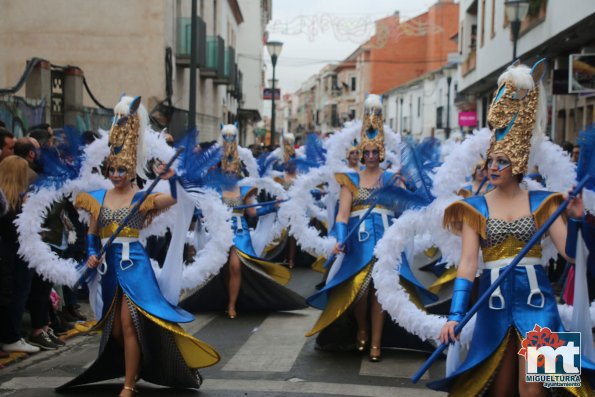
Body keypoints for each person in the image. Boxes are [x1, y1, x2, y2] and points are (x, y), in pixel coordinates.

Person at [432, 59, 595, 396]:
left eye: (502, 161)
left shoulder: (543, 203)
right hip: (492, 304)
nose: (493, 166)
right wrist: (455, 314)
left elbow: (573, 255)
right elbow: (468, 264)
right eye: (491, 160)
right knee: (497, 387)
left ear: (519, 163)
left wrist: (578, 218)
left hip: (538, 305)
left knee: (534, 389)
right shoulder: (473, 208)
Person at [57, 96, 219, 396]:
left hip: (135, 267)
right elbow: (92, 232)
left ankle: (129, 385)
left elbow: (173, 199)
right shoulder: (97, 197)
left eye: (121, 170)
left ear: (132, 170)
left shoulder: (142, 198)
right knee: (116, 329)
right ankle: (142, 361)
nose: (116, 175)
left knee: (130, 324)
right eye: (112, 170)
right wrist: (92, 253)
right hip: (108, 271)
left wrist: (171, 179)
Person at [306, 95, 436, 361]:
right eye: (367, 152)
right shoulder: (349, 179)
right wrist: (340, 238)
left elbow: (407, 207)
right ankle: (362, 328)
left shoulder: (390, 177)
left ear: (382, 152)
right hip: (358, 242)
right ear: (360, 152)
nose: (371, 156)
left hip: (387, 241)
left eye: (376, 152)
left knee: (382, 291)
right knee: (360, 290)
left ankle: (376, 341)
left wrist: (407, 189)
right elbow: (342, 215)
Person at [180, 124, 306, 319]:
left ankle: (232, 304)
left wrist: (274, 206)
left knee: (236, 266)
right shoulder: (214, 188)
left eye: (233, 170)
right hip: (220, 233)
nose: (230, 174)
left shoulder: (245, 188)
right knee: (220, 269)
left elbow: (254, 212)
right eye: (227, 170)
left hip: (239, 233)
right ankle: (223, 298)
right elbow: (203, 209)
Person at [0, 156, 40, 355]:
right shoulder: (11, 203)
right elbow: (14, 232)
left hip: (13, 255)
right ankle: (11, 336)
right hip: (14, 256)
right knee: (17, 293)